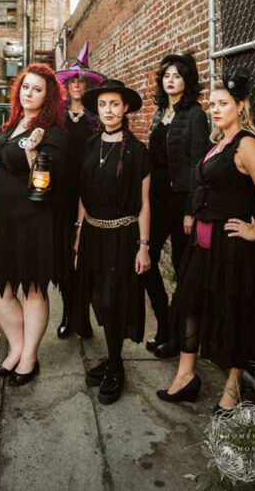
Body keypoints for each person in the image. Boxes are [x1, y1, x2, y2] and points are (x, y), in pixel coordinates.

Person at [156, 68, 255, 413]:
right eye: (212, 103)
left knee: (232, 314)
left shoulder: (247, 143)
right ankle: (185, 377)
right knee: (187, 303)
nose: (215, 109)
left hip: (232, 248)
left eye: (223, 103)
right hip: (203, 242)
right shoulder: (218, 143)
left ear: (240, 106)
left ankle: (232, 389)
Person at [0, 63, 68, 386]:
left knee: (33, 287)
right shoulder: (14, 123)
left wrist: (33, 155)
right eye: (25, 87)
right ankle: (16, 347)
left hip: (34, 220)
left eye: (37, 89)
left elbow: (49, 181)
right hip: (2, 217)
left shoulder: (54, 132)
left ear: (48, 97)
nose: (28, 93)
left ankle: (28, 355)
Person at [72, 78, 151, 405]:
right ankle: (112, 355)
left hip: (123, 234)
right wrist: (78, 230)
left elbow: (146, 202)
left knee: (113, 299)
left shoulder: (137, 150)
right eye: (103, 105)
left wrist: (144, 244)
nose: (108, 110)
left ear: (126, 108)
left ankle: (116, 367)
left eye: (115, 104)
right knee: (97, 299)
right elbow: (82, 194)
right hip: (92, 232)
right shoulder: (89, 145)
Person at [144, 53, 209, 357]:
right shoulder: (158, 113)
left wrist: (190, 210)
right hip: (156, 200)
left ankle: (175, 333)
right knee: (143, 262)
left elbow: (198, 163)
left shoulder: (194, 114)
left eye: (177, 76)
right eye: (167, 75)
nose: (171, 80)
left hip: (180, 201)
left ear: (187, 80)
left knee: (183, 272)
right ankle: (163, 321)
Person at [55, 42, 104, 338]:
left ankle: (82, 316)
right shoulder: (57, 116)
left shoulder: (96, 118)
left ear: (86, 85)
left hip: (89, 192)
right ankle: (67, 314)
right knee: (63, 257)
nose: (76, 84)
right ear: (67, 85)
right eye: (72, 80)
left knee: (85, 254)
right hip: (61, 192)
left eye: (80, 80)